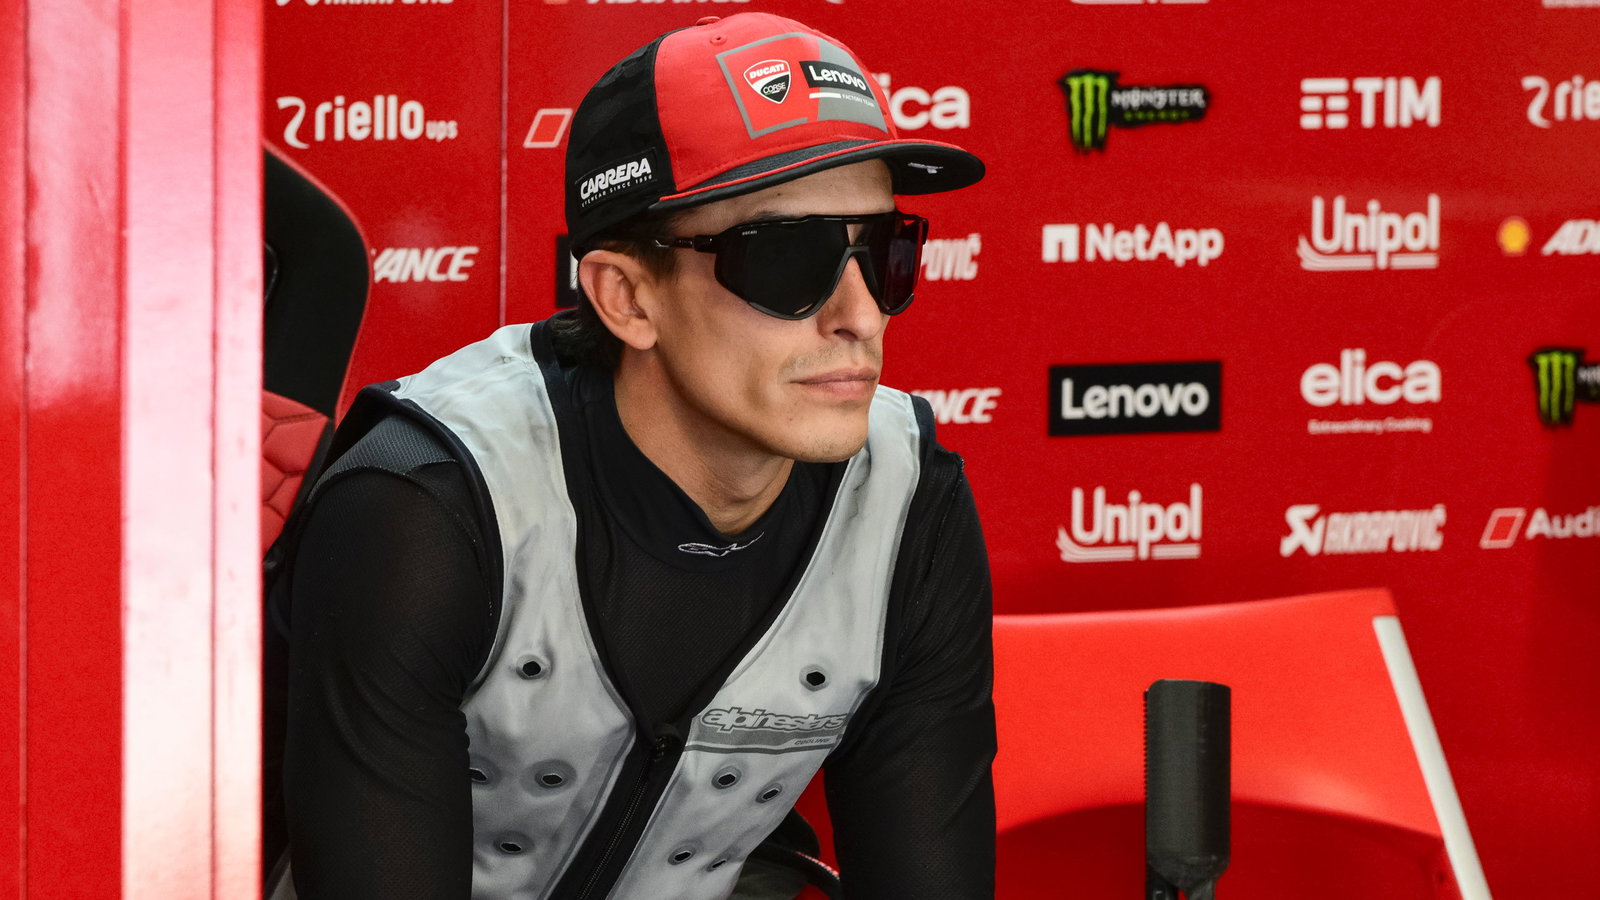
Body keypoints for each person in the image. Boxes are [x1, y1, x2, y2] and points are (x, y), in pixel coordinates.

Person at [268, 12, 995, 899]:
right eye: (788, 259)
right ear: (626, 297)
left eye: (885, 252)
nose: (862, 315)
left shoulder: (909, 498)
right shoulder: (425, 502)